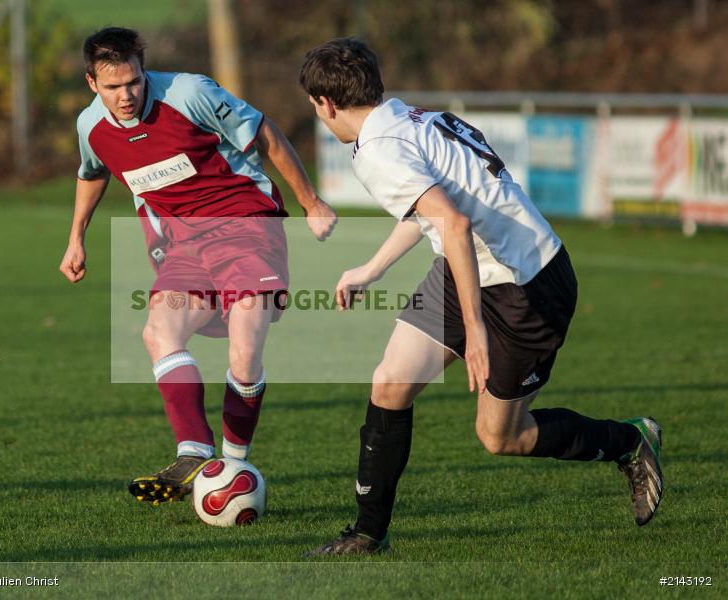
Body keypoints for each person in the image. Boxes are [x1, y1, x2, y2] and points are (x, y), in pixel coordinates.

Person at [297, 38, 663, 555]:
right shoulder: (410, 118)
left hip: (527, 285)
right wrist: (371, 269)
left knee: (501, 437)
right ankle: (368, 533)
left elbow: (454, 223)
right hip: (467, 268)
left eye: (314, 105)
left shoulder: (379, 150)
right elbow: (432, 213)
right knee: (390, 383)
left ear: (326, 104)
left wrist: (475, 329)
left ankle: (628, 441)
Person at [60, 27, 336, 505]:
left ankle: (233, 464)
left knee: (245, 351)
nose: (126, 95)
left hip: (246, 225)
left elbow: (264, 133)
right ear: (91, 83)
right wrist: (75, 238)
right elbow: (92, 171)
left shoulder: (189, 93)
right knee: (158, 333)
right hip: (182, 246)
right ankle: (193, 451)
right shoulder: (91, 126)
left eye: (134, 81)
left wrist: (310, 202)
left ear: (144, 71)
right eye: (112, 87)